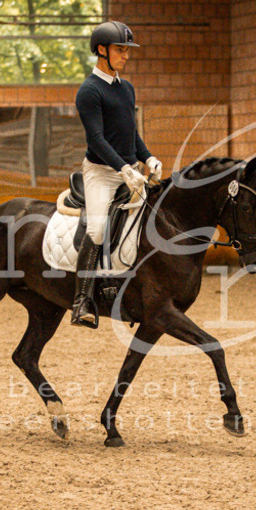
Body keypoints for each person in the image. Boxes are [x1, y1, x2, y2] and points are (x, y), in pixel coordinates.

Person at [70, 20, 162, 328]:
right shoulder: (89, 91)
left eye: (127, 50)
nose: (125, 55)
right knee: (97, 229)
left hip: (131, 171)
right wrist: (123, 168)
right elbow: (97, 138)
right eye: (120, 50)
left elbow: (130, 133)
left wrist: (147, 158)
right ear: (101, 50)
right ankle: (81, 300)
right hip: (101, 172)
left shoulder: (127, 88)